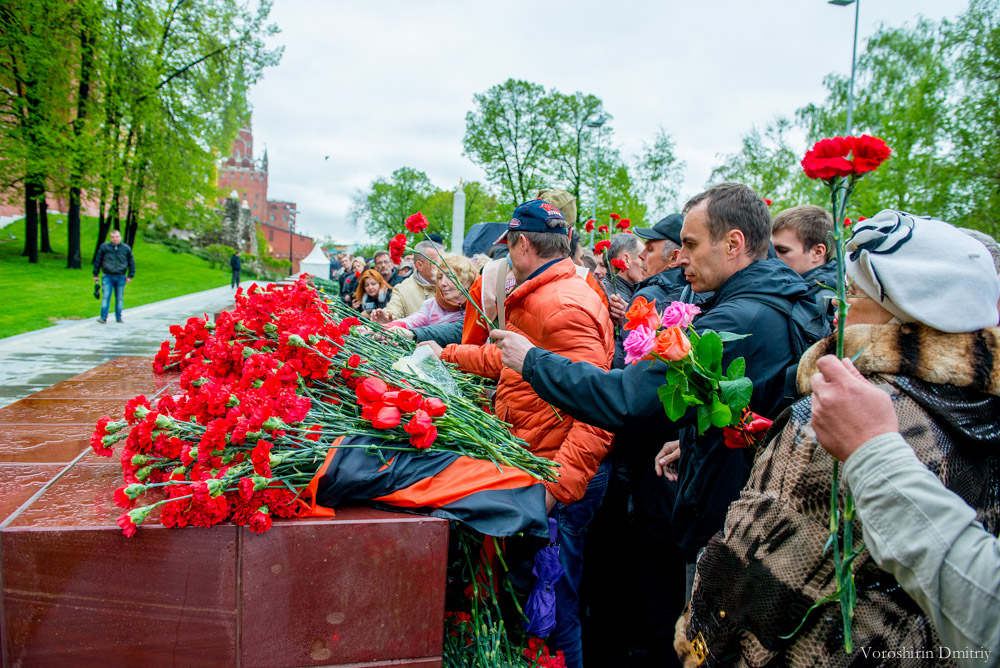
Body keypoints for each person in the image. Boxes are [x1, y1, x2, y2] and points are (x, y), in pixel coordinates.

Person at [676, 211, 1000, 667]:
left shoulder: (848, 410)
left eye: (853, 291)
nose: (838, 306)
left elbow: (754, 566)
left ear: (904, 305)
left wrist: (701, 634)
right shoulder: (980, 403)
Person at [492, 183, 812, 617]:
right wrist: (698, 435)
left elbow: (627, 398)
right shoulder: (778, 301)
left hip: (730, 533)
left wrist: (532, 361)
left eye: (692, 244)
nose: (681, 258)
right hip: (747, 522)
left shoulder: (739, 319)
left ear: (734, 244)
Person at [423, 200, 614, 668]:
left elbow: (598, 412)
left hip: (557, 480)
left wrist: (553, 490)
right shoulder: (546, 293)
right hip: (537, 462)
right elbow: (511, 363)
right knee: (532, 603)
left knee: (553, 611)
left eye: (508, 248)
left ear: (522, 244)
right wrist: (445, 354)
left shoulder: (562, 304)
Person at [771, 205, 837, 317]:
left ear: (817, 252)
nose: (772, 256)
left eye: (783, 250)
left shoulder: (823, 303)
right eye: (771, 249)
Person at [382, 254, 476, 332]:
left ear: (466, 281)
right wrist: (381, 329)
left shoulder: (477, 308)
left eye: (449, 277)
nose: (442, 283)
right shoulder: (432, 306)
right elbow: (409, 322)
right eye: (440, 277)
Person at [378, 240, 442, 320]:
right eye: (436, 262)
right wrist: (385, 318)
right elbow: (392, 311)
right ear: (420, 265)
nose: (443, 266)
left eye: (444, 261)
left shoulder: (452, 284)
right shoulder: (402, 290)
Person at [93, 229, 135, 324]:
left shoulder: (126, 248)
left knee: (119, 298)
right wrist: (95, 274)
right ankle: (103, 317)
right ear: (110, 238)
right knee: (106, 297)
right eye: (112, 237)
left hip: (121, 276)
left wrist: (130, 275)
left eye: (116, 237)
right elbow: (98, 260)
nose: (115, 239)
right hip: (107, 275)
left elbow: (131, 262)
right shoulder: (105, 247)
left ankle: (119, 317)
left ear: (120, 237)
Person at [602, 232, 645, 315]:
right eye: (642, 259)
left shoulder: (603, 291)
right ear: (626, 260)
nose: (645, 265)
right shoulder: (614, 302)